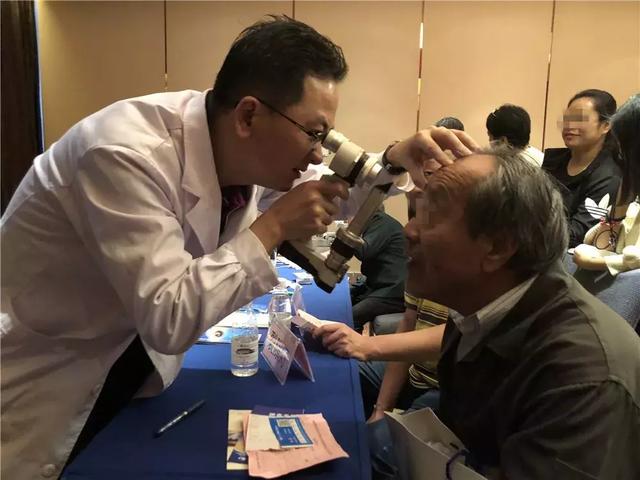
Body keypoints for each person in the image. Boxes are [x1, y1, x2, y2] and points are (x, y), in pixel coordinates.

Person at [0, 15, 478, 479]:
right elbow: (169, 317)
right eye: (314, 134)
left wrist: (394, 159)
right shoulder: (123, 154)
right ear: (249, 114)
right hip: (50, 372)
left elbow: (334, 191)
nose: (319, 152)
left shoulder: (238, 149)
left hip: (125, 359)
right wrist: (273, 227)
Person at [316, 146, 640, 479]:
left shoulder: (582, 382)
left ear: (498, 247)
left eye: (431, 216)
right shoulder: (478, 310)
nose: (409, 231)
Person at [543, 89, 622, 247]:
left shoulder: (609, 176)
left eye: (580, 119)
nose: (569, 125)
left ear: (605, 126)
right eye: (567, 119)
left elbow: (575, 236)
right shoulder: (554, 161)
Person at [574, 94, 640, 274]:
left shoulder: (607, 175)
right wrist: (621, 204)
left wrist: (604, 263)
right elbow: (602, 244)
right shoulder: (631, 190)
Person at [350, 210, 407, 334]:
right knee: (345, 299)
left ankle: (354, 345)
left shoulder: (381, 223)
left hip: (393, 292)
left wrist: (349, 233)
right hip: (380, 286)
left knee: (352, 316)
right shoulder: (376, 223)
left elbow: (364, 251)